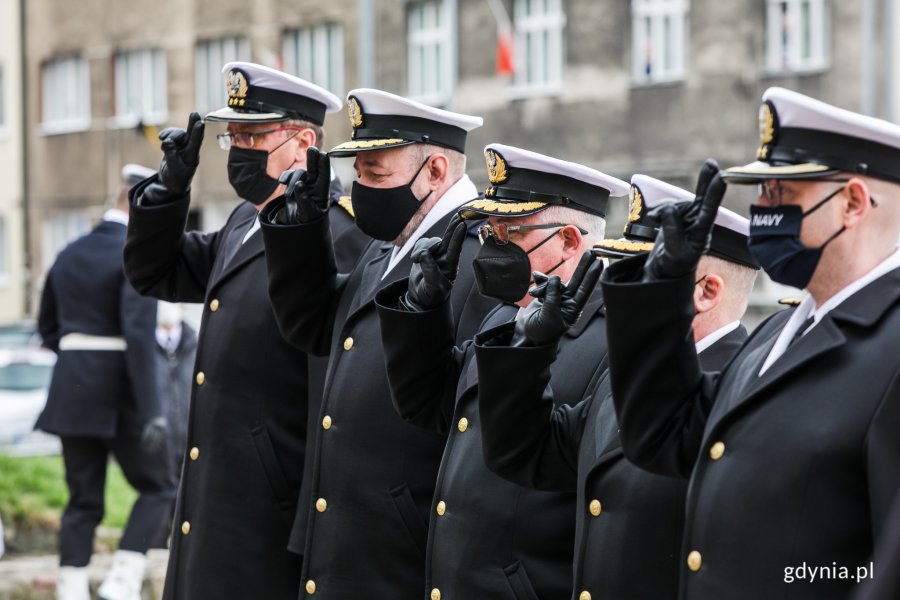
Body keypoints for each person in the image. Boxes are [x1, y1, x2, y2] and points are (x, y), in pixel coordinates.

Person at [600, 87, 900, 599]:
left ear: (852, 202)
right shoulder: (777, 334)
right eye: (760, 193)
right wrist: (664, 285)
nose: (761, 211)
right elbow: (664, 437)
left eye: (780, 195)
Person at [123, 62, 357, 599]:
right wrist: (169, 188)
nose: (239, 148)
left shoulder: (339, 233)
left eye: (254, 135)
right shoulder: (244, 220)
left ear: (302, 143)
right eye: (235, 135)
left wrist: (307, 525)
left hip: (268, 505)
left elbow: (332, 395)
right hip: (214, 491)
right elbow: (158, 271)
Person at [259, 89, 497, 598]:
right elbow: (315, 327)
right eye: (358, 172)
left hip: (405, 559)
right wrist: (300, 230)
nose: (361, 188)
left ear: (435, 171)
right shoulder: (388, 248)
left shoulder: (478, 260)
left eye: (377, 174)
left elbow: (474, 423)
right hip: (350, 546)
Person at [476, 174, 759, 600]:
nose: (620, 292)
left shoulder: (742, 390)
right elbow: (526, 454)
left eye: (644, 275)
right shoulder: (628, 375)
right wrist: (531, 348)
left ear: (707, 291)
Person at [374, 143, 628, 599]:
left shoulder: (613, 340)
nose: (493, 248)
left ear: (569, 241)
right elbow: (430, 405)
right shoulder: (505, 316)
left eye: (510, 234)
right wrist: (421, 310)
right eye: (490, 233)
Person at [36, 163, 176, 600]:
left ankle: (71, 588)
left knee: (83, 500)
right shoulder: (135, 253)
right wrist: (152, 410)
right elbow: (137, 335)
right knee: (160, 486)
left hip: (71, 391)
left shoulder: (67, 253)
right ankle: (122, 580)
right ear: (142, 204)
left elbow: (47, 328)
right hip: (121, 393)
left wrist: (81, 361)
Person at [153, 301, 197, 480]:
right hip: (157, 443)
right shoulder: (143, 347)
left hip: (189, 440)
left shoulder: (196, 345)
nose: (167, 306)